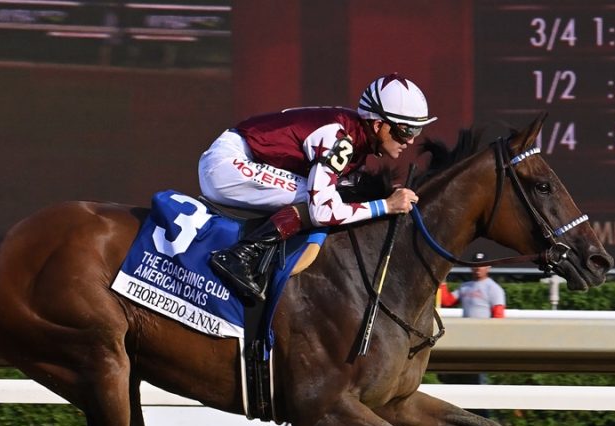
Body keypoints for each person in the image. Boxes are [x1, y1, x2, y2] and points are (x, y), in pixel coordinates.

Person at [199, 73, 437, 301]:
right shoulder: (340, 138)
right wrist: (386, 205)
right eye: (406, 130)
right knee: (321, 201)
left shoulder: (354, 135)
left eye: (417, 130)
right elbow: (323, 212)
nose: (411, 140)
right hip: (227, 164)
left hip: (241, 157)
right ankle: (240, 256)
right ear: (377, 126)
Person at [438, 253, 504, 395]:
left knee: (478, 381)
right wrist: (442, 282)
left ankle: (482, 411)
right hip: (465, 340)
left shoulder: (494, 289)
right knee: (463, 379)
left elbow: (499, 316)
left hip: (482, 342)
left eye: (481, 265)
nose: (477, 268)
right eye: (475, 265)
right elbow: (447, 301)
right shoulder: (465, 287)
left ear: (488, 267)